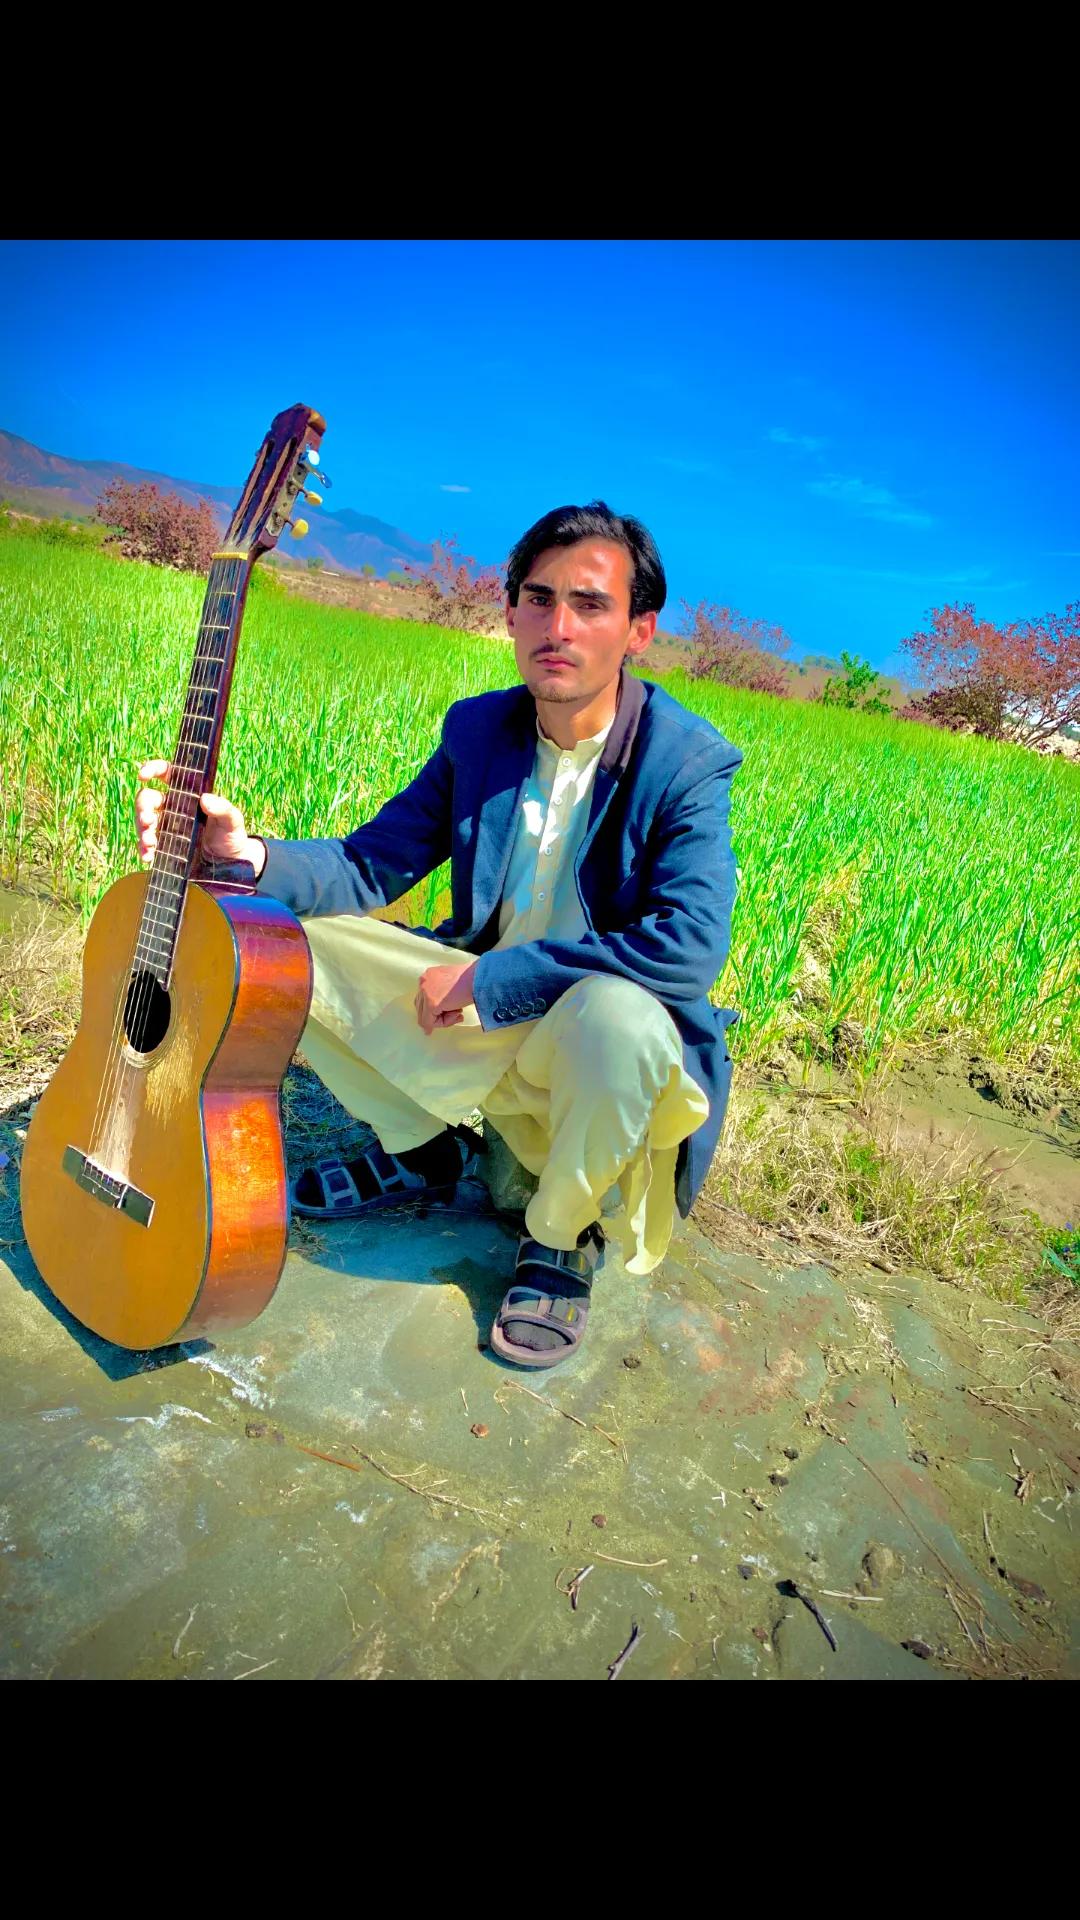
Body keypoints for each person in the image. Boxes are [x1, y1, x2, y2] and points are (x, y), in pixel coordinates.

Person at [136, 502, 743, 1370]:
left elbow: (687, 947)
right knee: (282, 944)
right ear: (510, 612)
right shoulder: (480, 732)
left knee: (620, 1016)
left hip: (590, 1046)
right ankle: (423, 1152)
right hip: (475, 1016)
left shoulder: (683, 762)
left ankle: (559, 1236)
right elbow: (369, 865)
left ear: (638, 630)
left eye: (590, 604)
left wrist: (495, 982)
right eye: (539, 599)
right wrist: (246, 855)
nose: (559, 626)